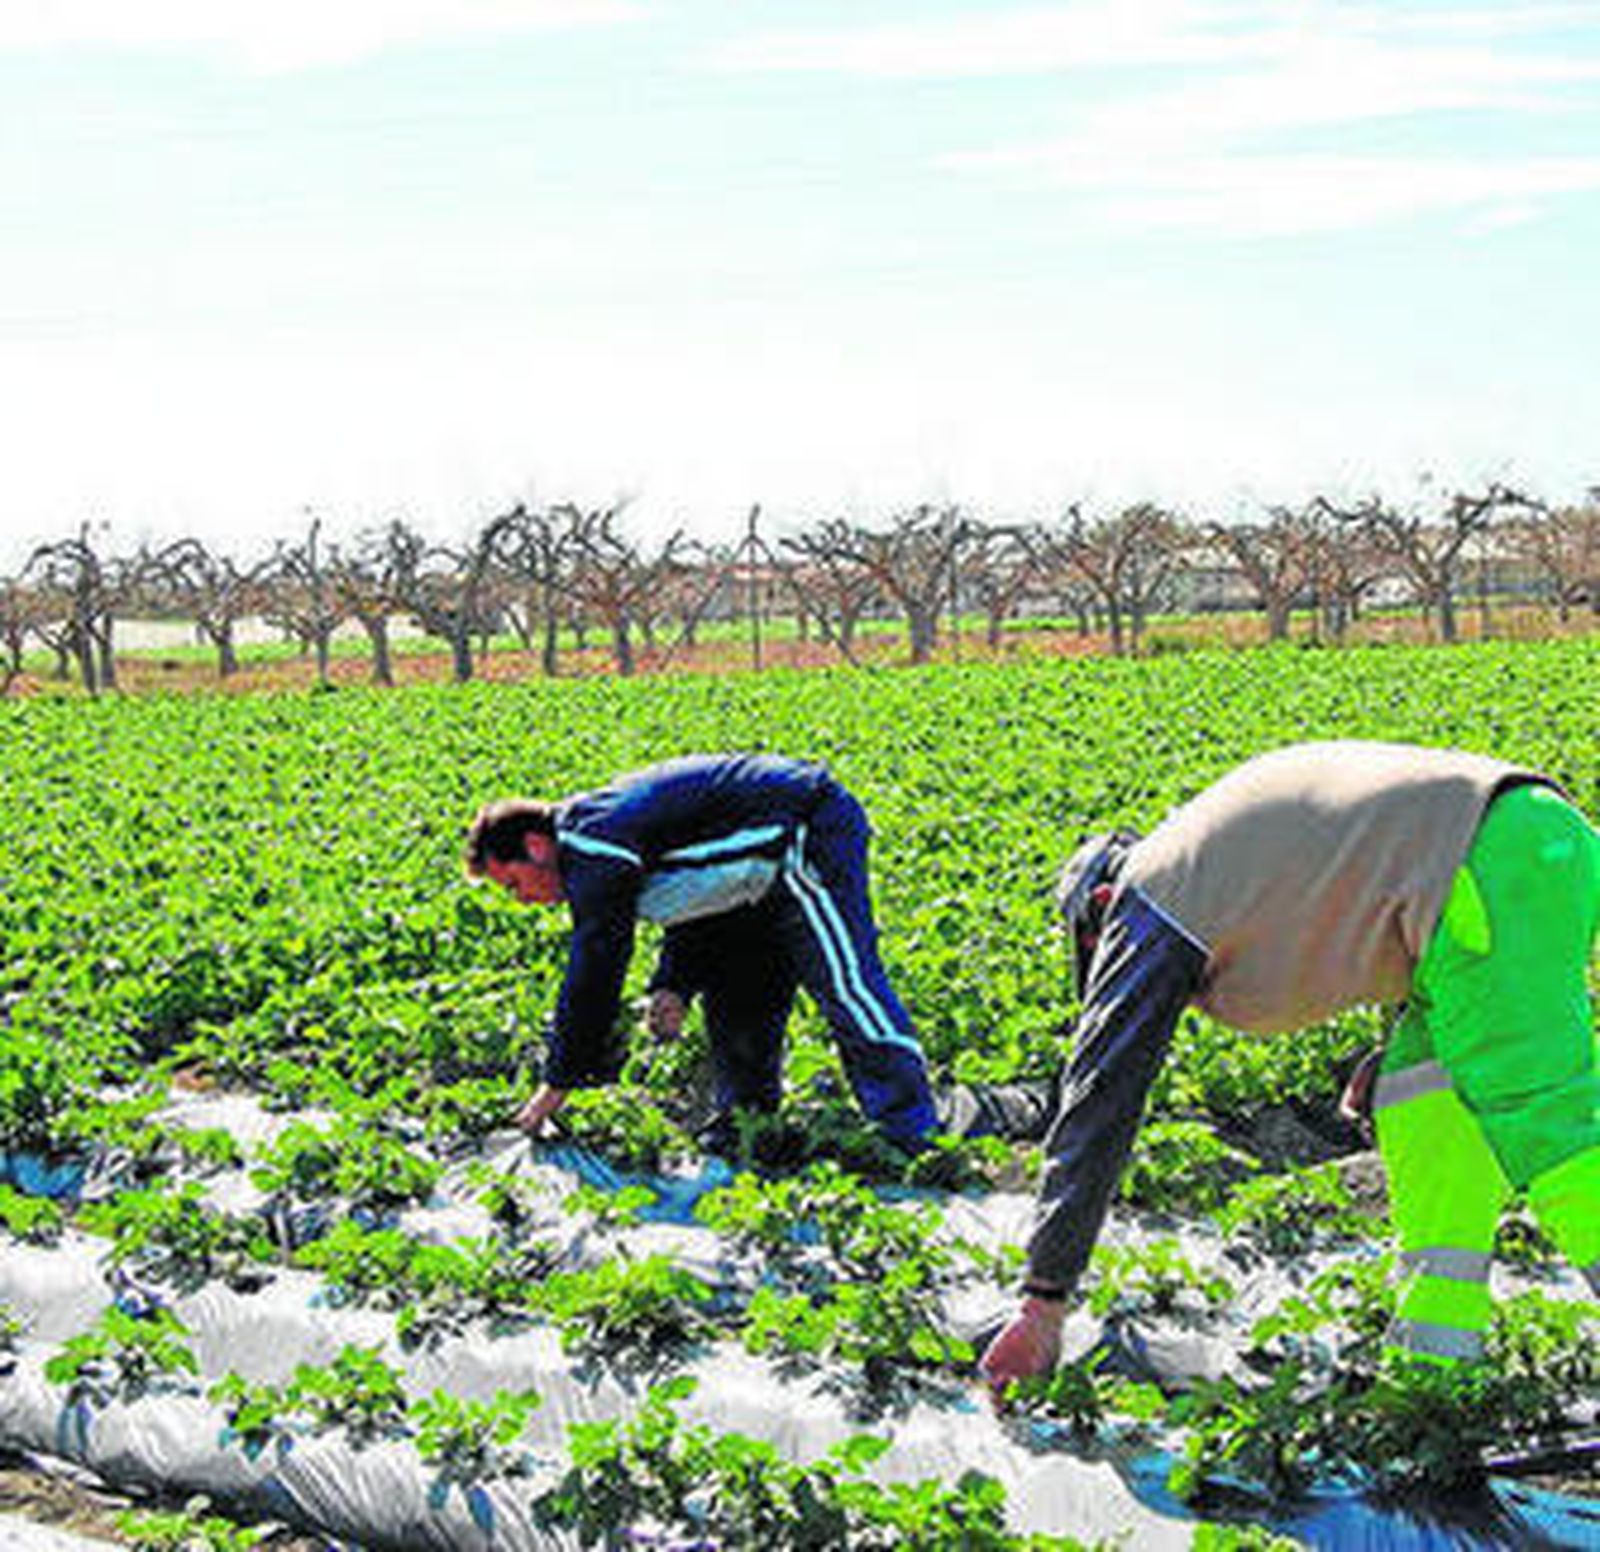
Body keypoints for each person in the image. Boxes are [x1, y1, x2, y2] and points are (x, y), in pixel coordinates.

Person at [980, 740, 1600, 1396]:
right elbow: (1388, 876)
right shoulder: (1208, 865)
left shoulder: (1149, 895)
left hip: (1491, 859)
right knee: (1422, 1104)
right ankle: (1433, 1375)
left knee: (1548, 1124)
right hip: (1508, 848)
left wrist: (1041, 1304)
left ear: (1101, 905)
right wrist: (1392, 1048)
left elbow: (1103, 1093)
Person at [464, 753, 939, 1152]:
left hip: (802, 830)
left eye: (513, 883)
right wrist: (673, 984)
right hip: (748, 879)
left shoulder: (589, 842)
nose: (522, 899)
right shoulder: (596, 841)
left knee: (844, 981)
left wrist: (556, 1085)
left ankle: (911, 1128)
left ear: (535, 846)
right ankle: (749, 1127)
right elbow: (697, 895)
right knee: (737, 990)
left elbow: (597, 962)